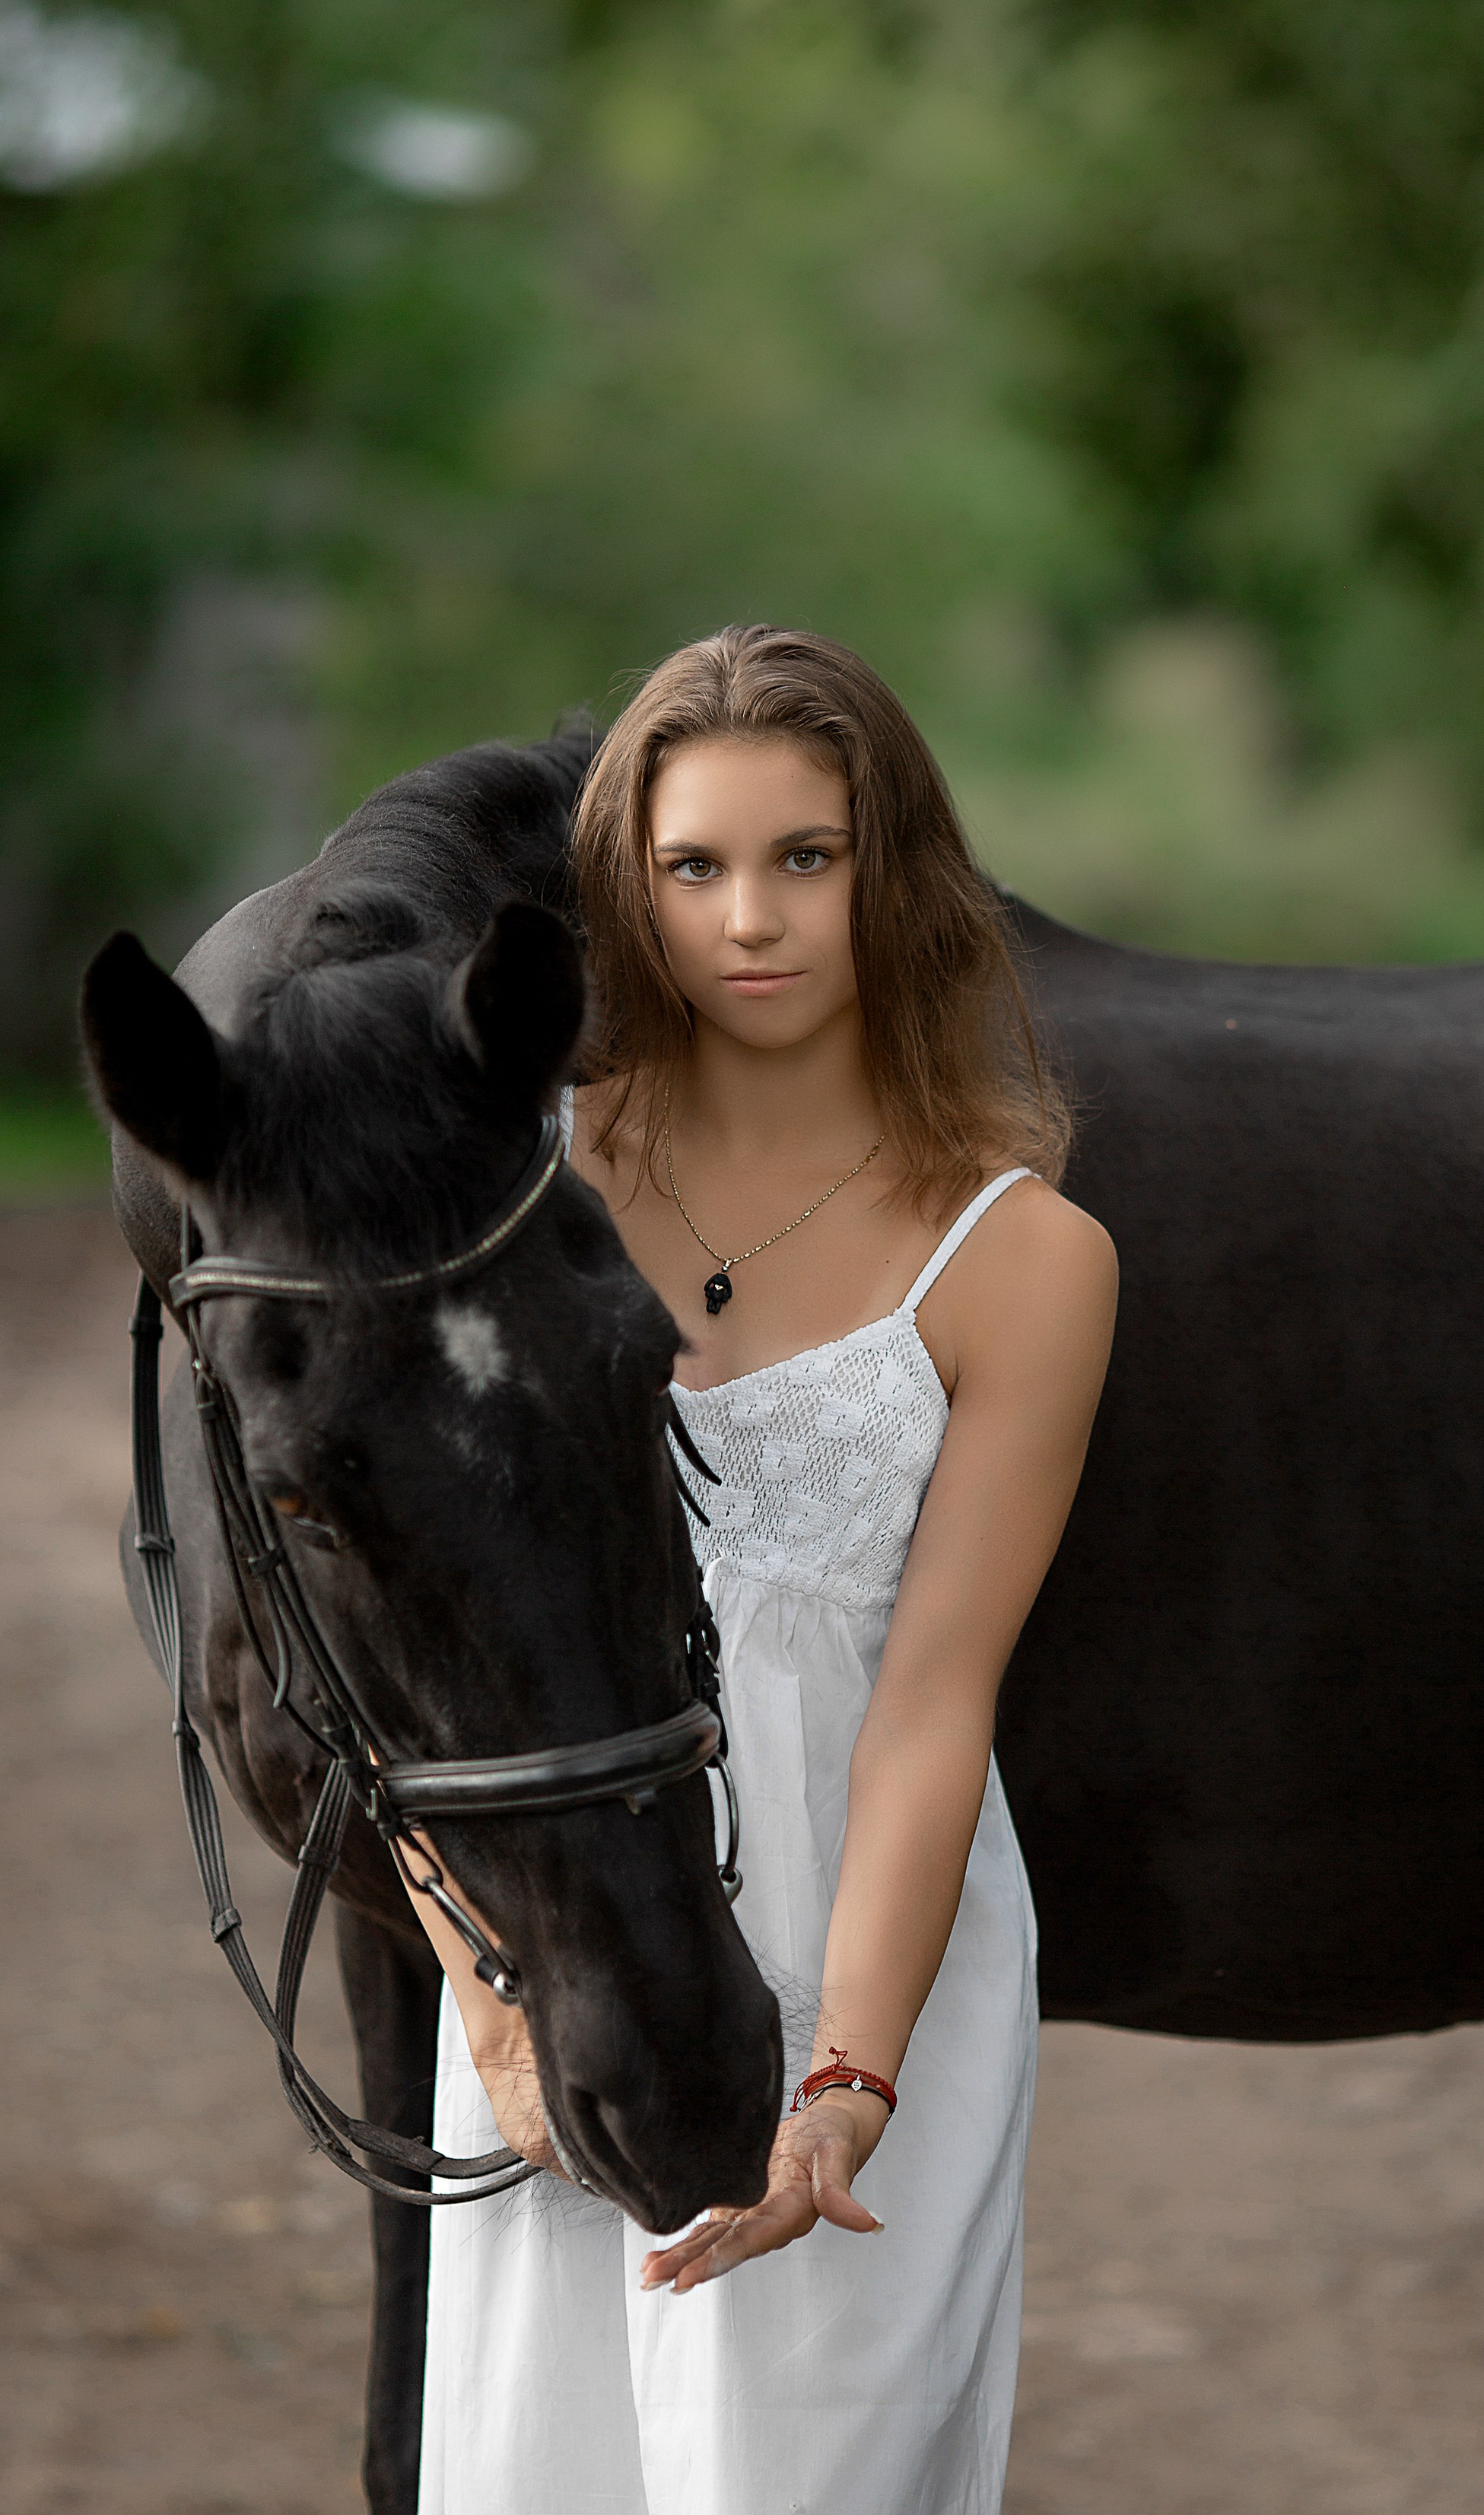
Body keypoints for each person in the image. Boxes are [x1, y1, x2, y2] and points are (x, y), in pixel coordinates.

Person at [407, 626, 1117, 2514]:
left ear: (893, 873)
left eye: (806, 856)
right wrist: (491, 2009)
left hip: (865, 1972)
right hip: (554, 1965)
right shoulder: (510, 1189)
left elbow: (930, 1697)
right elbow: (410, 1645)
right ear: (625, 896)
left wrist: (844, 2083)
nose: (753, 919)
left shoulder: (1023, 1257)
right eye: (692, 866)